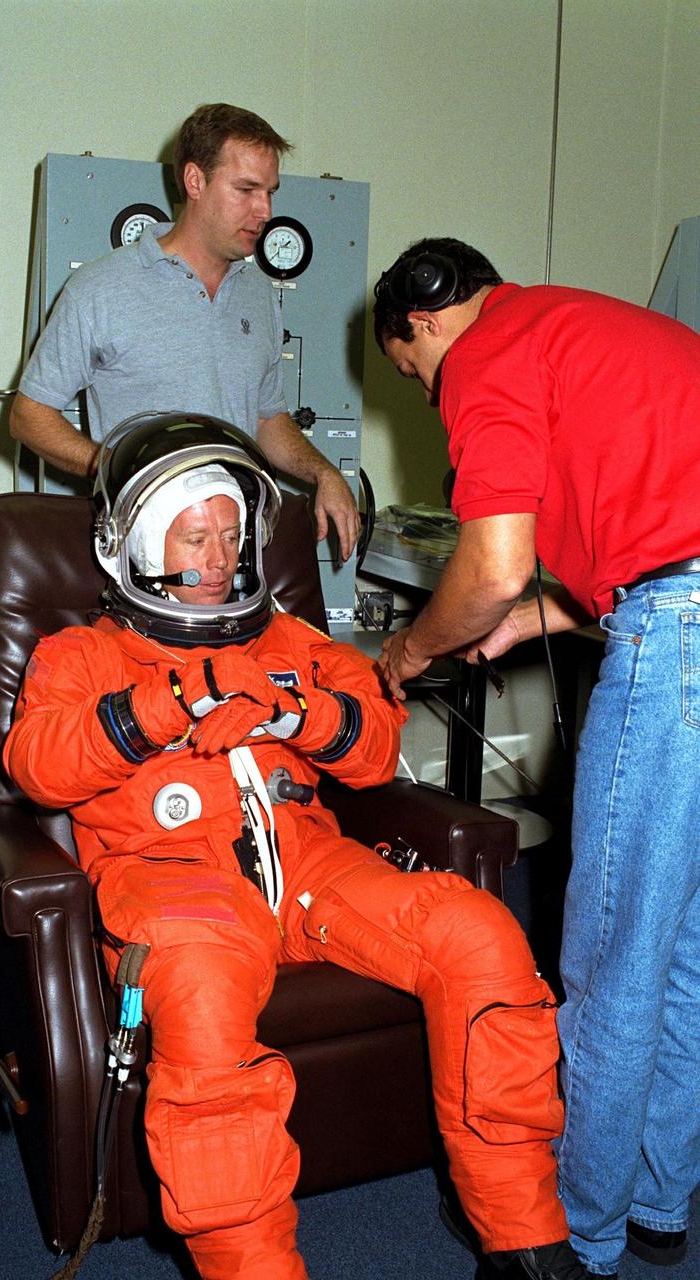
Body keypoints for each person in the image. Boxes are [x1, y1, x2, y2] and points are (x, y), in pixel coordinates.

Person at [3, 410, 591, 1280]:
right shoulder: (80, 653)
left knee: (480, 938)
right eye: (193, 536)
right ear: (127, 543)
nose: (215, 560)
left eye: (231, 536)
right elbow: (38, 767)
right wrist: (173, 699)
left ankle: (523, 1235)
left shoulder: (291, 639)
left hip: (312, 868)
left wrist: (295, 712)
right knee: (202, 1012)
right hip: (173, 885)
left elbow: (375, 747)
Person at [373, 237, 700, 1278]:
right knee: (683, 943)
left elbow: (494, 556)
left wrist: (413, 644)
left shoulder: (484, 353)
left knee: (608, 954)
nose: (428, 394)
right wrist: (527, 623)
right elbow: (655, 525)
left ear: (419, 322)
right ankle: (656, 1198)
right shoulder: (580, 323)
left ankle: (569, 1235)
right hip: (679, 596)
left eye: (410, 373)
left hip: (681, 631)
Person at [9, 101, 359, 562]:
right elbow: (28, 416)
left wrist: (324, 473)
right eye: (247, 189)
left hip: (238, 549)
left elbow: (266, 419)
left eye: (270, 191)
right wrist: (113, 468)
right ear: (195, 181)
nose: (265, 210)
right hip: (143, 553)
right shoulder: (99, 289)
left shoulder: (259, 293)